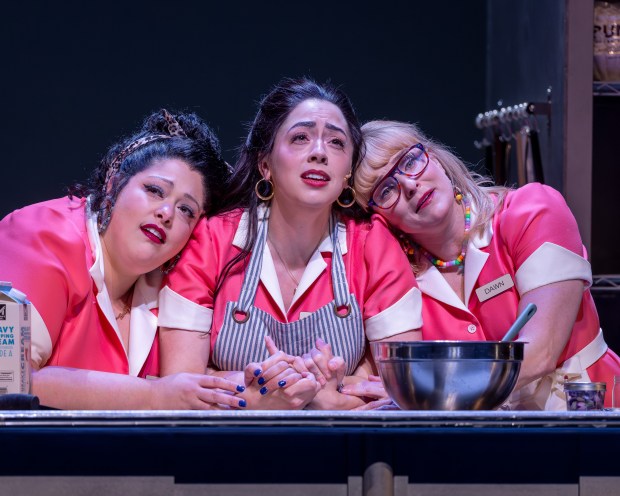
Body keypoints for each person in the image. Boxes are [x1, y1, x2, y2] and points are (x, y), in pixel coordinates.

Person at [159, 78, 422, 410]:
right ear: (265, 164)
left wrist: (331, 398)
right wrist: (259, 394)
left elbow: (399, 388)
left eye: (337, 143)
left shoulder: (373, 245)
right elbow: (181, 385)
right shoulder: (211, 240)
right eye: (301, 137)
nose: (319, 153)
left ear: (346, 173)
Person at [353, 119, 620, 410]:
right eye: (386, 190)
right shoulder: (396, 281)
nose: (409, 184)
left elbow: (540, 352)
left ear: (435, 158)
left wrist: (422, 394)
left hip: (594, 420)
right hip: (490, 445)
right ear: (379, 218)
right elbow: (365, 381)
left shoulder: (532, 211)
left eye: (410, 160)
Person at [0, 109, 247, 410]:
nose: (167, 213)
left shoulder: (170, 287)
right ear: (113, 183)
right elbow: (7, 380)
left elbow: (190, 388)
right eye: (155, 191)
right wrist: (153, 395)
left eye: (186, 210)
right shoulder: (39, 235)